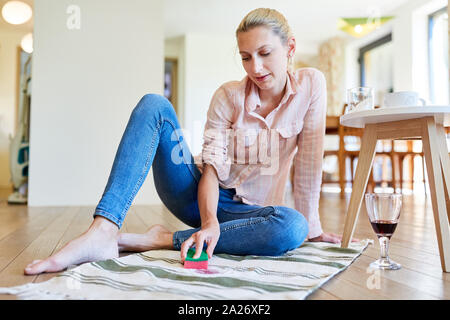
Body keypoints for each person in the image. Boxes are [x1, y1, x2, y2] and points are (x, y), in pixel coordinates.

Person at [24, 8, 349, 275]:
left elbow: (308, 162)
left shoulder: (312, 85)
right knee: (155, 104)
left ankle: (164, 239)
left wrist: (314, 229)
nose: (256, 68)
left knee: (293, 228)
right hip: (194, 193)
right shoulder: (228, 96)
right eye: (246, 57)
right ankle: (103, 230)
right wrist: (209, 222)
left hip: (251, 213)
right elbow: (211, 169)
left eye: (265, 54)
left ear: (290, 48)